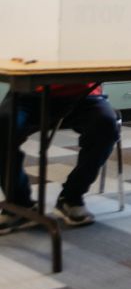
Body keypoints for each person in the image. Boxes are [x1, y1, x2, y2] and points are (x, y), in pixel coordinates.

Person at [0, 84, 120, 234]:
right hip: (30, 93)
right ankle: (19, 204)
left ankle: (71, 197)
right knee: (3, 126)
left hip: (84, 94)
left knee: (105, 124)